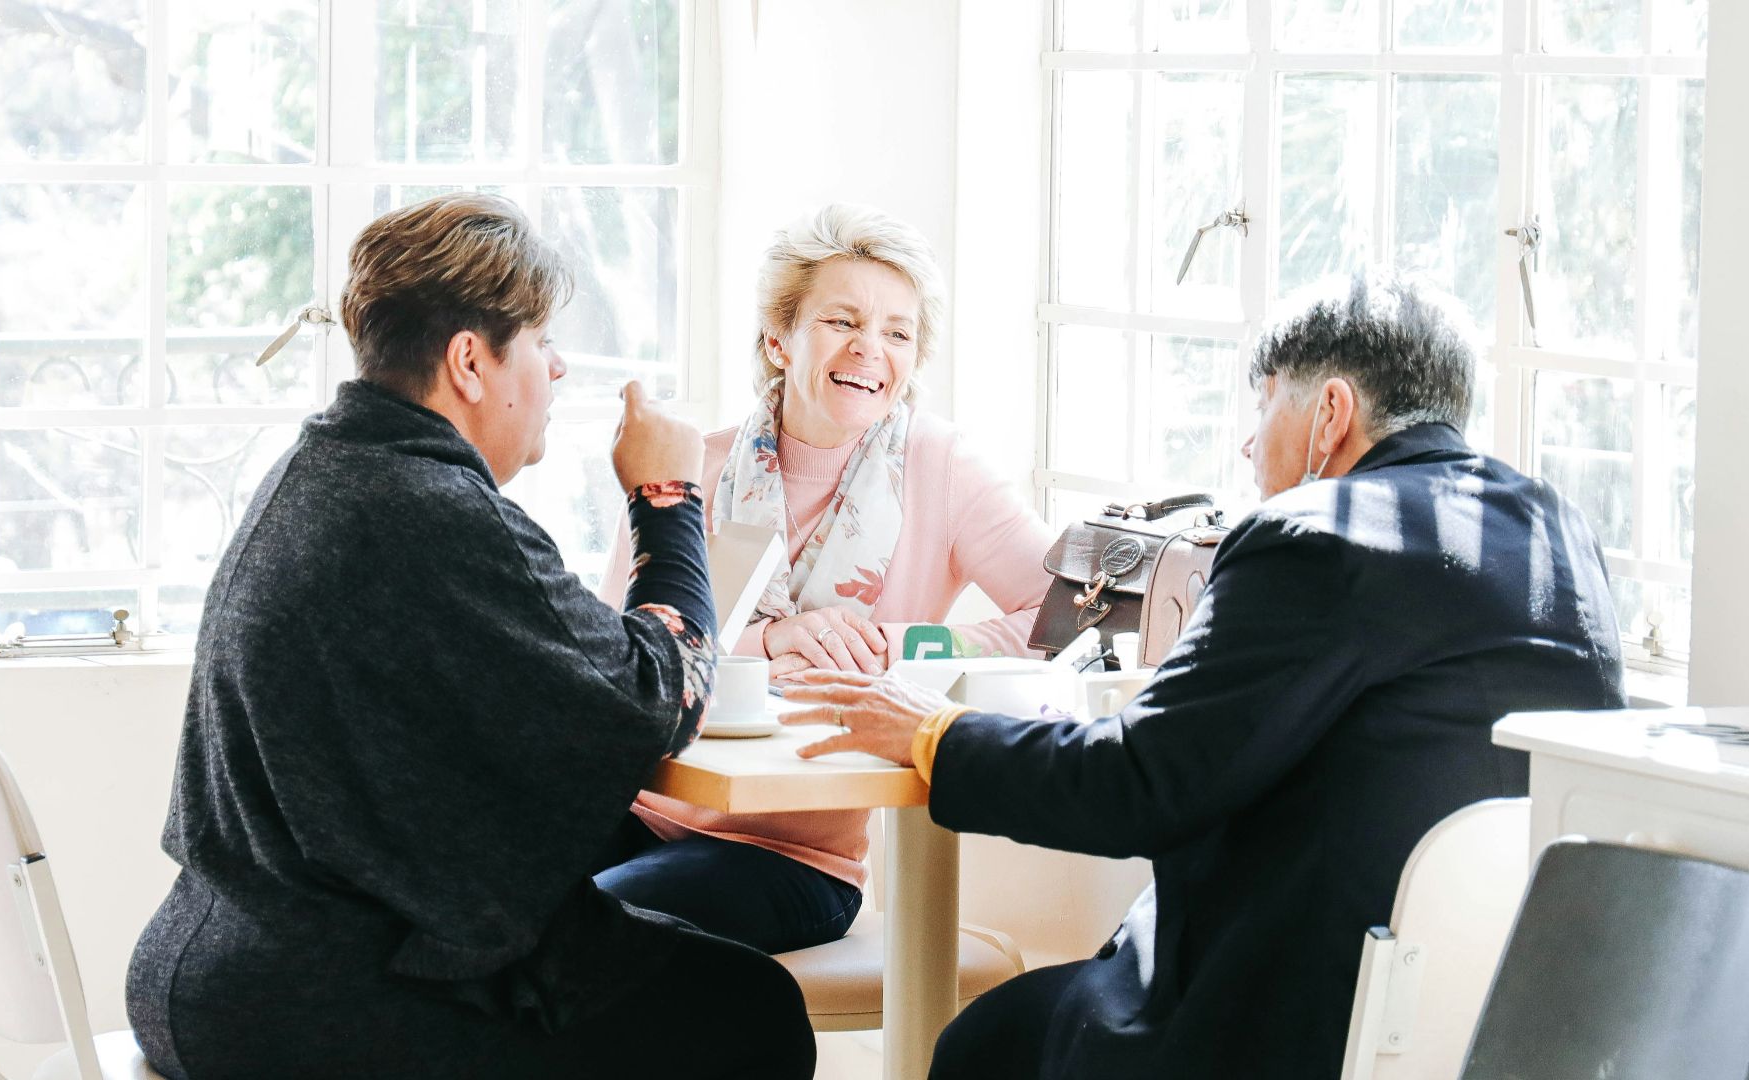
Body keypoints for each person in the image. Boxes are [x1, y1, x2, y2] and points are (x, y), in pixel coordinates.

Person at [781, 272, 1627, 1078]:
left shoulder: (1313, 532)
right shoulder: (1555, 534)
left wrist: (933, 731)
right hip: (1485, 1020)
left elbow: (1138, 785)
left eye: (1263, 408)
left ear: (1330, 412)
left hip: (1283, 1019)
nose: (1250, 443)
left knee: (986, 1043)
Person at [125, 194, 815, 1080]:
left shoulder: (320, 471)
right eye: (538, 342)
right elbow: (657, 700)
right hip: (315, 1006)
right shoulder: (433, 510)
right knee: (742, 1009)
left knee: (671, 963)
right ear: (470, 362)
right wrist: (669, 498)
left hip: (214, 971)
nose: (558, 370)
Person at [593, 203, 1054, 955]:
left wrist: (885, 647)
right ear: (779, 340)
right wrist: (776, 638)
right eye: (842, 321)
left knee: (591, 934)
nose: (870, 349)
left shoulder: (940, 468)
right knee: (482, 907)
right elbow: (619, 653)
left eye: (897, 333)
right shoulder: (691, 468)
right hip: (637, 807)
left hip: (791, 859)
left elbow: (1061, 618)